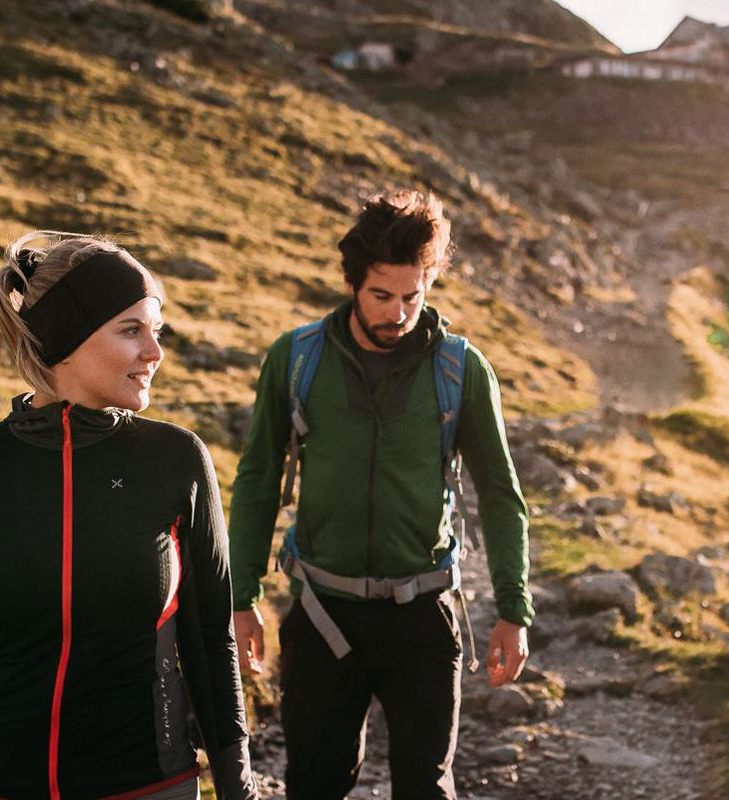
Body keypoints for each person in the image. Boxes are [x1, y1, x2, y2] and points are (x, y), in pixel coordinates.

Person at [0, 232, 256, 800]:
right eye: (131, 331)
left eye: (157, 332)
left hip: (147, 786)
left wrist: (240, 787)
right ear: (66, 340)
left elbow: (210, 641)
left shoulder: (176, 460)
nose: (155, 353)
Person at [227, 192, 532, 799]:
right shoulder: (297, 360)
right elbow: (259, 478)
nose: (398, 313)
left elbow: (499, 491)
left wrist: (513, 608)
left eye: (413, 297)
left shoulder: (460, 369)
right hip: (321, 611)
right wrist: (241, 598)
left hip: (422, 613)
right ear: (352, 284)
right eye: (381, 295)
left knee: (424, 788)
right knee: (314, 785)